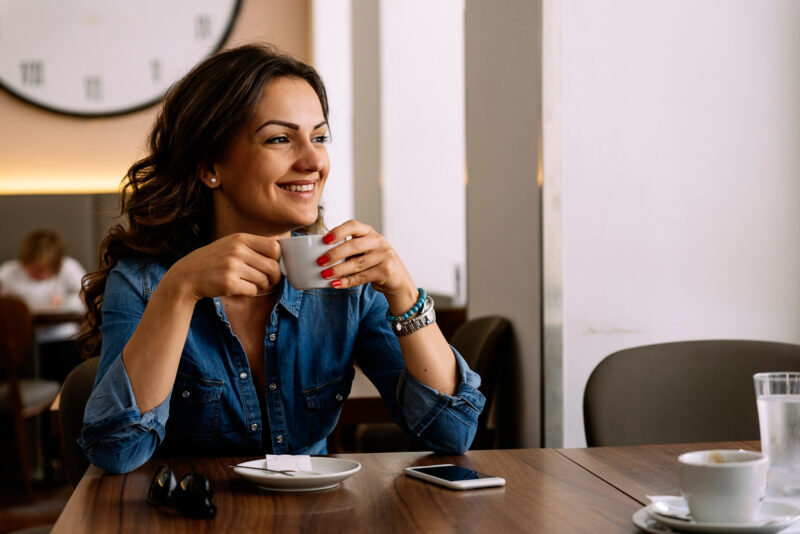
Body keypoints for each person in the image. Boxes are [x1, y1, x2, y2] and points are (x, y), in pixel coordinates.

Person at [77, 44, 484, 475]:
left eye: (320, 137)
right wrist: (180, 291)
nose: (313, 162)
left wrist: (404, 293)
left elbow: (452, 432)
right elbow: (115, 450)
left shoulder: (344, 277)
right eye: (279, 139)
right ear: (209, 165)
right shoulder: (145, 281)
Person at [0, 229, 86, 381]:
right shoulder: (8, 273)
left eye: (46, 271)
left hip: (61, 338)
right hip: (23, 342)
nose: (41, 275)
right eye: (36, 270)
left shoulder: (69, 267)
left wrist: (65, 301)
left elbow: (89, 296)